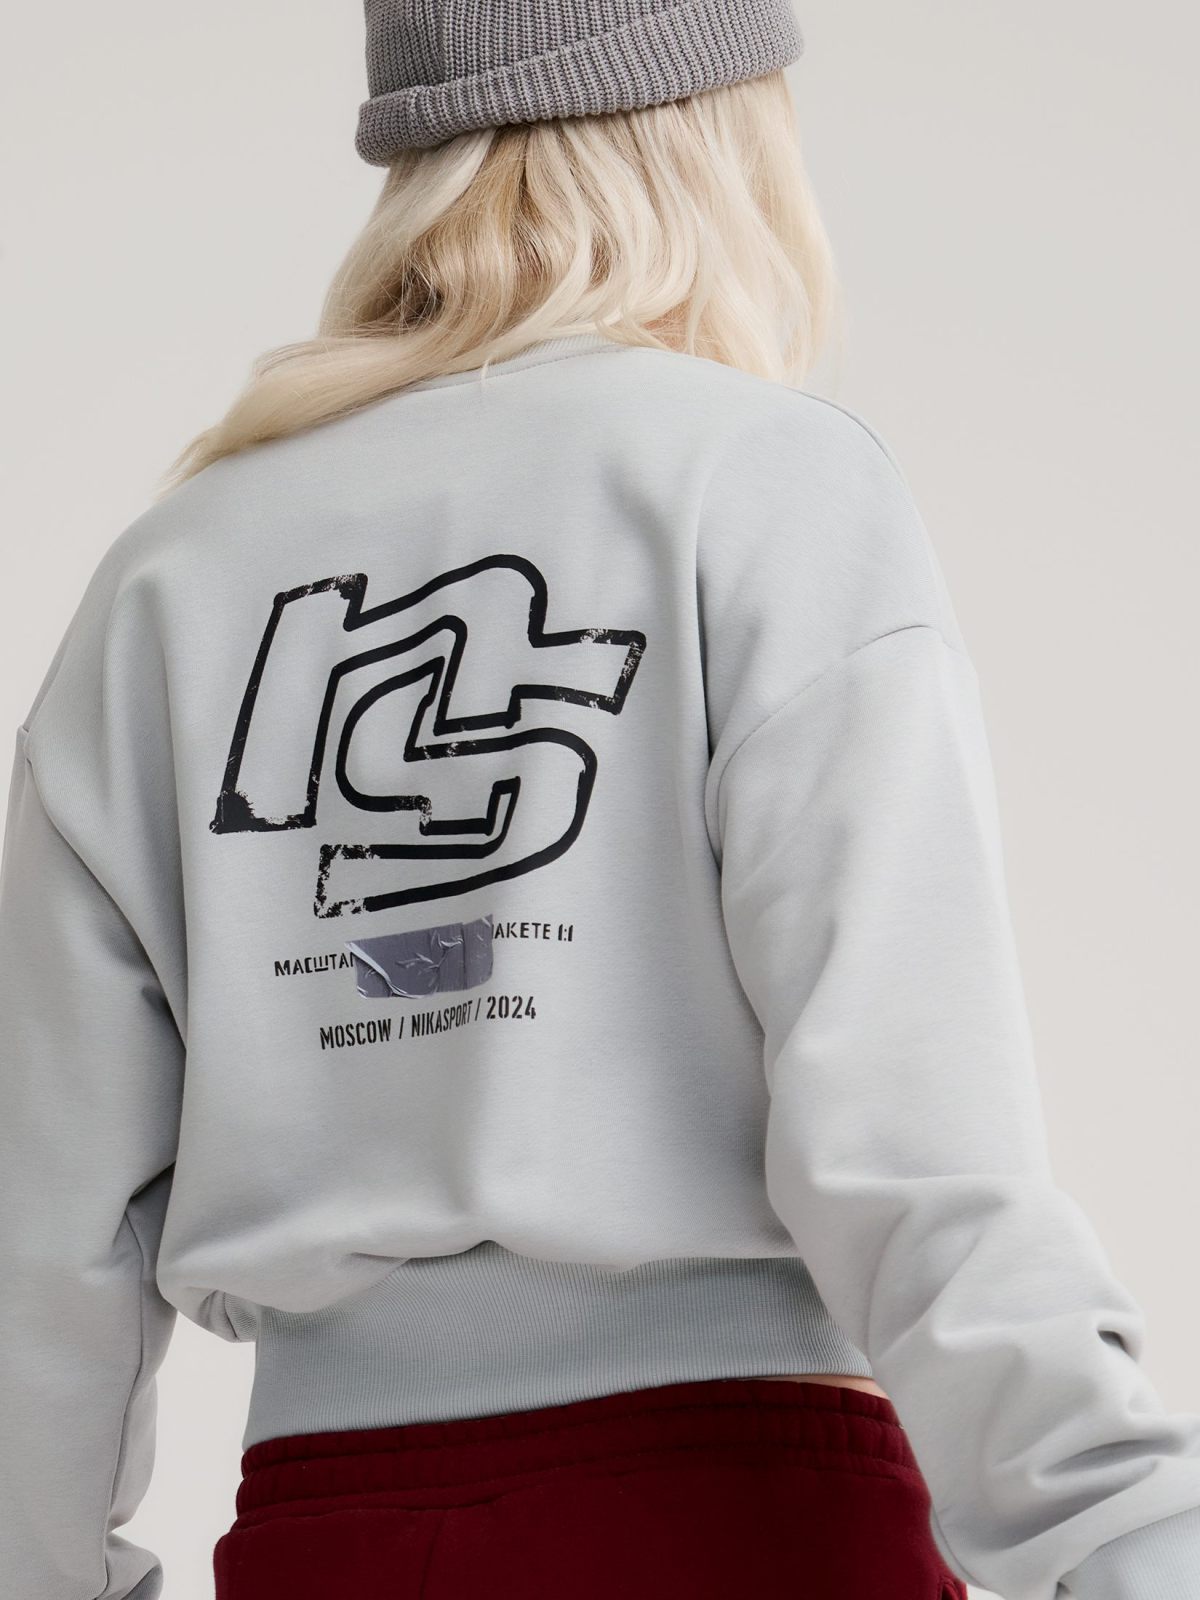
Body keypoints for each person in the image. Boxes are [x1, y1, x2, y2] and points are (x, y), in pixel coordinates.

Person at [2, 3, 1198, 1597]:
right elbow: (912, 1143)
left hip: (332, 1538)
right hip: (740, 1519)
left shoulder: (169, 574)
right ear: (723, 125)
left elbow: (42, 1244)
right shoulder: (759, 482)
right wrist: (1127, 1536)